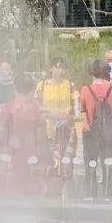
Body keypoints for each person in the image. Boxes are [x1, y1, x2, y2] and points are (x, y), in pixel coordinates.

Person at [0, 73, 46, 197]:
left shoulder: (8, 107)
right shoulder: (34, 108)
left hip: (12, 149)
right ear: (30, 88)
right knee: (31, 184)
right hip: (31, 149)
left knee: (11, 185)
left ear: (15, 87)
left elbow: (0, 132)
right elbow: (41, 132)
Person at [79, 59, 112, 202]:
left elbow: (83, 110)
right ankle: (109, 195)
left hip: (91, 131)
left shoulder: (85, 90)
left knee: (90, 161)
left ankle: (90, 193)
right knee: (108, 162)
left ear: (92, 72)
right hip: (110, 131)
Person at [35, 58, 78, 187]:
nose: (60, 71)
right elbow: (37, 106)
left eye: (63, 68)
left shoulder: (70, 85)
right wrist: (52, 111)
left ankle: (65, 186)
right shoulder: (42, 85)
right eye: (57, 67)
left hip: (65, 126)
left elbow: (76, 104)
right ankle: (45, 186)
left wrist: (70, 111)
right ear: (51, 69)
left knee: (66, 156)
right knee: (47, 156)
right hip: (48, 126)